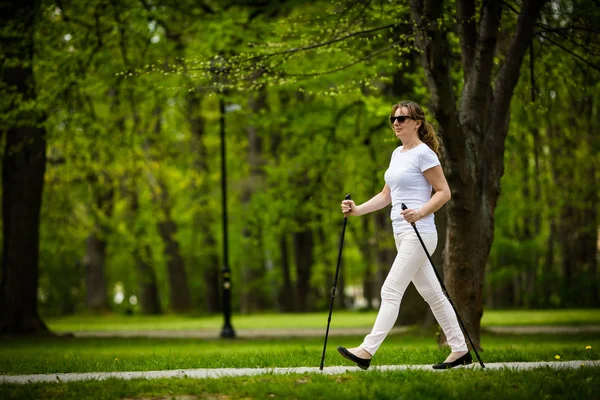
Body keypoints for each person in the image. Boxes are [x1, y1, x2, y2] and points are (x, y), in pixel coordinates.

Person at [337, 100, 472, 370]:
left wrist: (420, 212)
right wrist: (357, 210)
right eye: (393, 119)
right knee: (433, 295)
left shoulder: (425, 154)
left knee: (390, 290)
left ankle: (366, 350)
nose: (396, 122)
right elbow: (387, 195)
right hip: (402, 234)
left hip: (419, 232)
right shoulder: (397, 154)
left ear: (417, 123)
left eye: (403, 118)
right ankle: (460, 350)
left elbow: (444, 192)